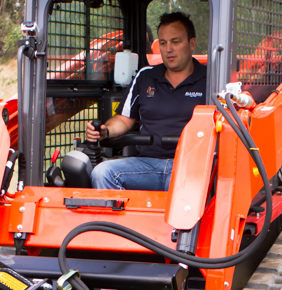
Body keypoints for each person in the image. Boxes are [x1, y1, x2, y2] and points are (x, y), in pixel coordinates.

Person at [87, 12, 208, 191]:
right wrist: (105, 131)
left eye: (175, 42)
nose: (168, 49)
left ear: (192, 44)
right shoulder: (145, 77)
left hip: (190, 164)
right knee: (102, 172)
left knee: (181, 186)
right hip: (146, 164)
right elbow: (123, 119)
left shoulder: (210, 79)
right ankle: (120, 212)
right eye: (163, 43)